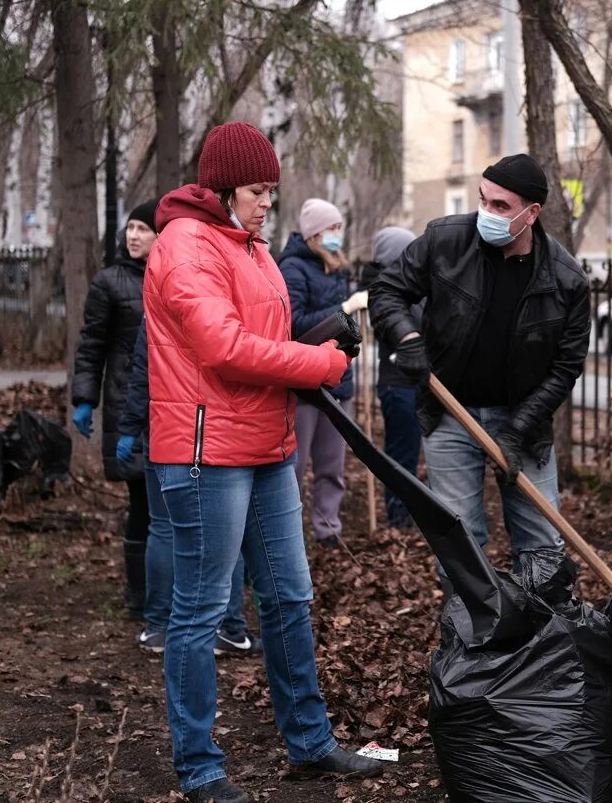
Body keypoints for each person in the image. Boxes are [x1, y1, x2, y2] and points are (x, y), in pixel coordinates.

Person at [145, 121, 384, 802]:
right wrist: (319, 361)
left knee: (287, 596)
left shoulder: (251, 249)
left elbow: (266, 336)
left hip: (269, 448)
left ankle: (309, 743)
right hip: (204, 454)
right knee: (198, 610)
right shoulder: (185, 246)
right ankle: (200, 768)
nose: (265, 205)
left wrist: (323, 336)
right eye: (256, 191)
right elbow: (223, 347)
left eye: (272, 193)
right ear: (220, 189)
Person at [368, 153, 591, 581]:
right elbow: (387, 290)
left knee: (543, 546)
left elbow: (565, 368)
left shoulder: (566, 281)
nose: (486, 213)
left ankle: (540, 641)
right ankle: (468, 641)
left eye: (501, 207)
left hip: (525, 423)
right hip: (450, 412)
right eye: (483, 201)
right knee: (459, 545)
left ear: (532, 213)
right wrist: (407, 337)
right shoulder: (445, 240)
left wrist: (517, 429)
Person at [118, 320, 258, 656]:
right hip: (221, 431)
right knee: (228, 532)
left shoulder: (162, 294)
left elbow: (144, 369)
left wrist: (130, 425)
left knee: (165, 528)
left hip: (168, 431)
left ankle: (160, 628)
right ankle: (226, 627)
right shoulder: (230, 294)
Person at [71, 201, 159, 621]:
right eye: (131, 227)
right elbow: (92, 345)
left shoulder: (172, 277)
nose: (134, 235)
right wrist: (85, 398)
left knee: (164, 503)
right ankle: (139, 598)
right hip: (127, 406)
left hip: (170, 407)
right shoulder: (109, 282)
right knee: (141, 499)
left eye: (144, 228)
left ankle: (165, 591)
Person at [279, 198, 365, 548]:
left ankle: (328, 528)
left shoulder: (337, 269)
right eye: (332, 228)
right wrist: (342, 310)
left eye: (339, 228)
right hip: (303, 383)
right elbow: (295, 324)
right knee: (294, 468)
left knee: (332, 465)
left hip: (337, 383)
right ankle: (286, 530)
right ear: (314, 233)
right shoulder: (293, 269)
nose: (337, 235)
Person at [359, 226, 422, 530]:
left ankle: (409, 513)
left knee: (412, 452)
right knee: (402, 454)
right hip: (398, 383)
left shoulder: (412, 283)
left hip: (414, 383)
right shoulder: (385, 291)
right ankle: (399, 517)